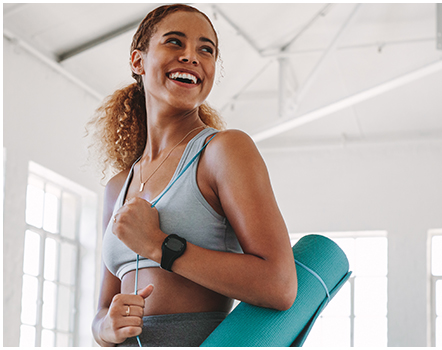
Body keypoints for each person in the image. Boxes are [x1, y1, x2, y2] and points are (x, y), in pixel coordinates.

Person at [89, 4, 297, 347]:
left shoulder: (224, 151)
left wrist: (159, 245)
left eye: (206, 49)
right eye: (174, 42)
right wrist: (105, 328)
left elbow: (280, 285)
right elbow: (100, 311)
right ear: (138, 61)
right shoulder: (117, 187)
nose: (191, 56)